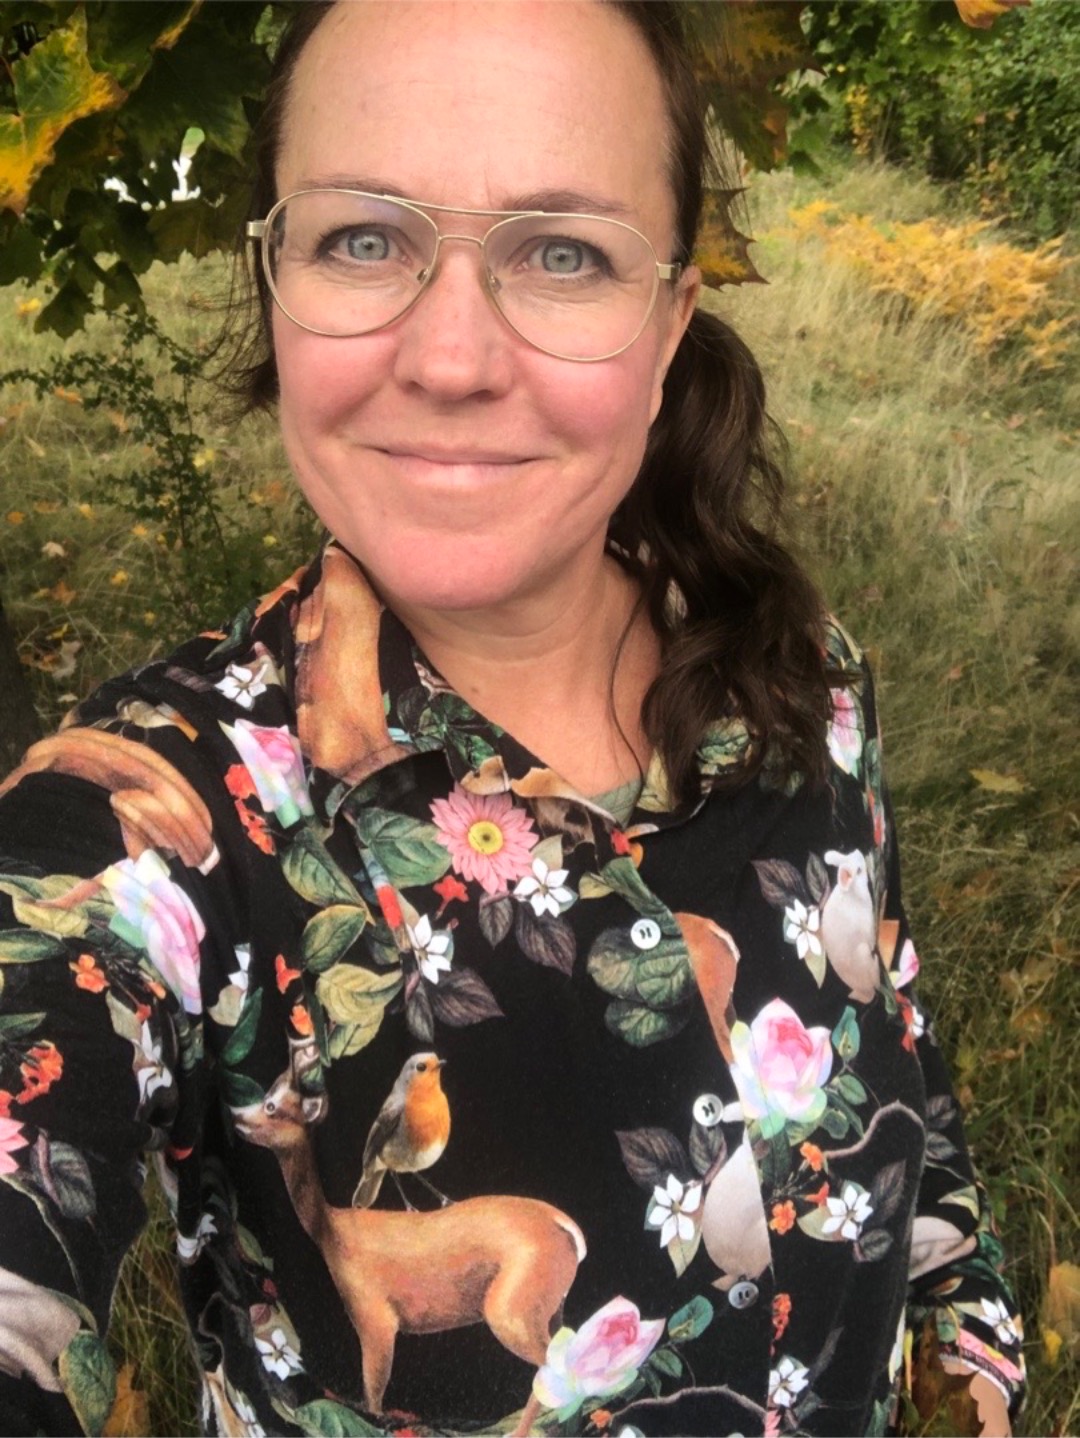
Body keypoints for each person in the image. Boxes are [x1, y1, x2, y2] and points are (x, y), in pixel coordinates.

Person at [0, 3, 1025, 1435]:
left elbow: (906, 1080)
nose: (452, 359)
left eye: (563, 252)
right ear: (273, 282)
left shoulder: (805, 683)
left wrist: (977, 1369)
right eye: (364, 238)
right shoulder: (150, 824)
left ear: (670, 325)